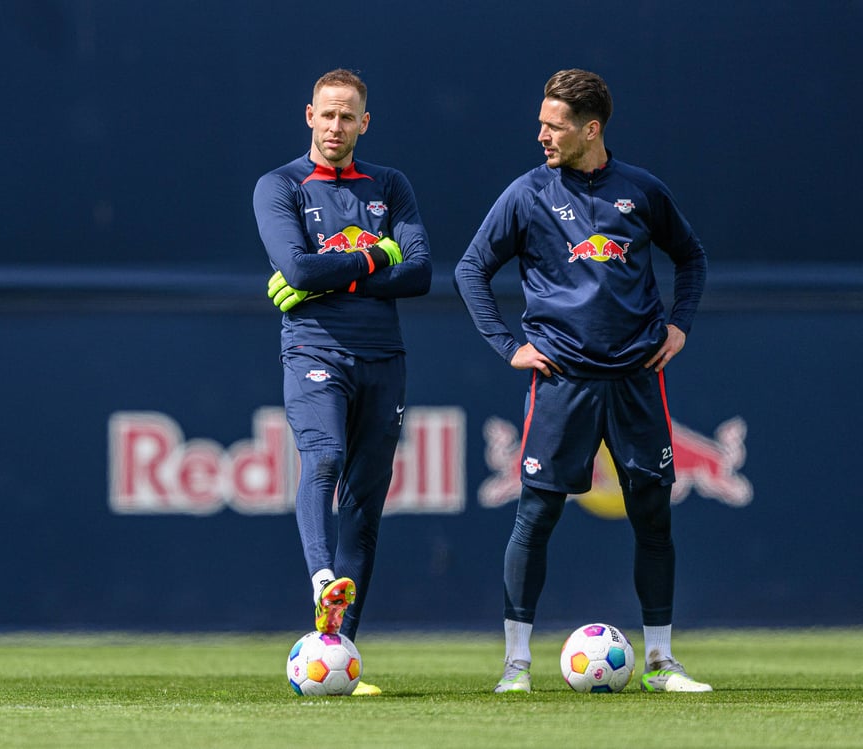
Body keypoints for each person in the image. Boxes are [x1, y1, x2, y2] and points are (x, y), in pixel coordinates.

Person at [454, 69, 712, 694]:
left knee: (653, 516)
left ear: (590, 129)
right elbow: (471, 268)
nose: (541, 134)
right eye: (541, 122)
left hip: (635, 378)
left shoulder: (641, 191)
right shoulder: (526, 194)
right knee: (536, 517)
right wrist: (509, 346)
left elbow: (691, 257)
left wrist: (678, 325)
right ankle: (516, 667)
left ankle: (659, 662)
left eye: (554, 125)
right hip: (563, 380)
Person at [253, 68, 432, 695]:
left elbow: (419, 273)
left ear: (365, 122)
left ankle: (342, 653)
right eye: (326, 115)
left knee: (365, 505)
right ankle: (320, 577)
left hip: (383, 355)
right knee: (322, 457)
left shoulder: (390, 185)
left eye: (347, 116)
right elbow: (296, 264)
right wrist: (375, 254)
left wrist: (336, 274)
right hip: (314, 347)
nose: (336, 127)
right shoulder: (278, 185)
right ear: (309, 116)